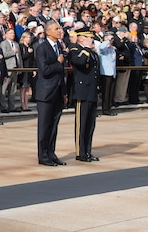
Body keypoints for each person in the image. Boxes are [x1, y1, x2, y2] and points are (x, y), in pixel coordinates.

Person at [35, 20, 67, 166]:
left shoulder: (59, 47)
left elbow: (62, 73)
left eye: (59, 28)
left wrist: (64, 92)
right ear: (48, 32)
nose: (60, 31)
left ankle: (51, 152)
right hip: (46, 92)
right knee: (44, 126)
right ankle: (43, 155)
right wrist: (58, 63)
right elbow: (45, 70)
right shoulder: (42, 48)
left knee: (54, 125)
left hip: (58, 92)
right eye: (56, 29)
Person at [69, 27, 100, 162]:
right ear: (81, 38)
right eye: (88, 37)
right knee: (81, 124)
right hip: (82, 91)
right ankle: (80, 152)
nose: (91, 40)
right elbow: (79, 62)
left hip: (92, 90)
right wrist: (87, 49)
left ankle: (87, 151)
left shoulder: (92, 53)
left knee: (90, 124)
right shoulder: (76, 50)